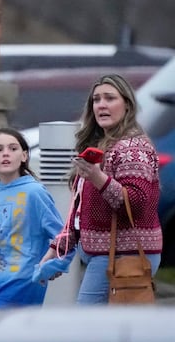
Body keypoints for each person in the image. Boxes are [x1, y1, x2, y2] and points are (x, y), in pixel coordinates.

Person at [38, 74, 163, 304]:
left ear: (127, 104)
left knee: (87, 330)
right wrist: (58, 250)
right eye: (96, 99)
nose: (101, 105)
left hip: (124, 256)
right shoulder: (99, 147)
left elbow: (135, 204)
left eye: (109, 98)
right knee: (111, 333)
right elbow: (79, 212)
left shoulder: (133, 148)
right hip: (105, 256)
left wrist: (97, 177)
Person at [0, 128, 65, 318]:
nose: (5, 153)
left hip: (22, 279)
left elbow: (63, 234)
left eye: (12, 148)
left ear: (24, 156)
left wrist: (54, 263)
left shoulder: (35, 192)